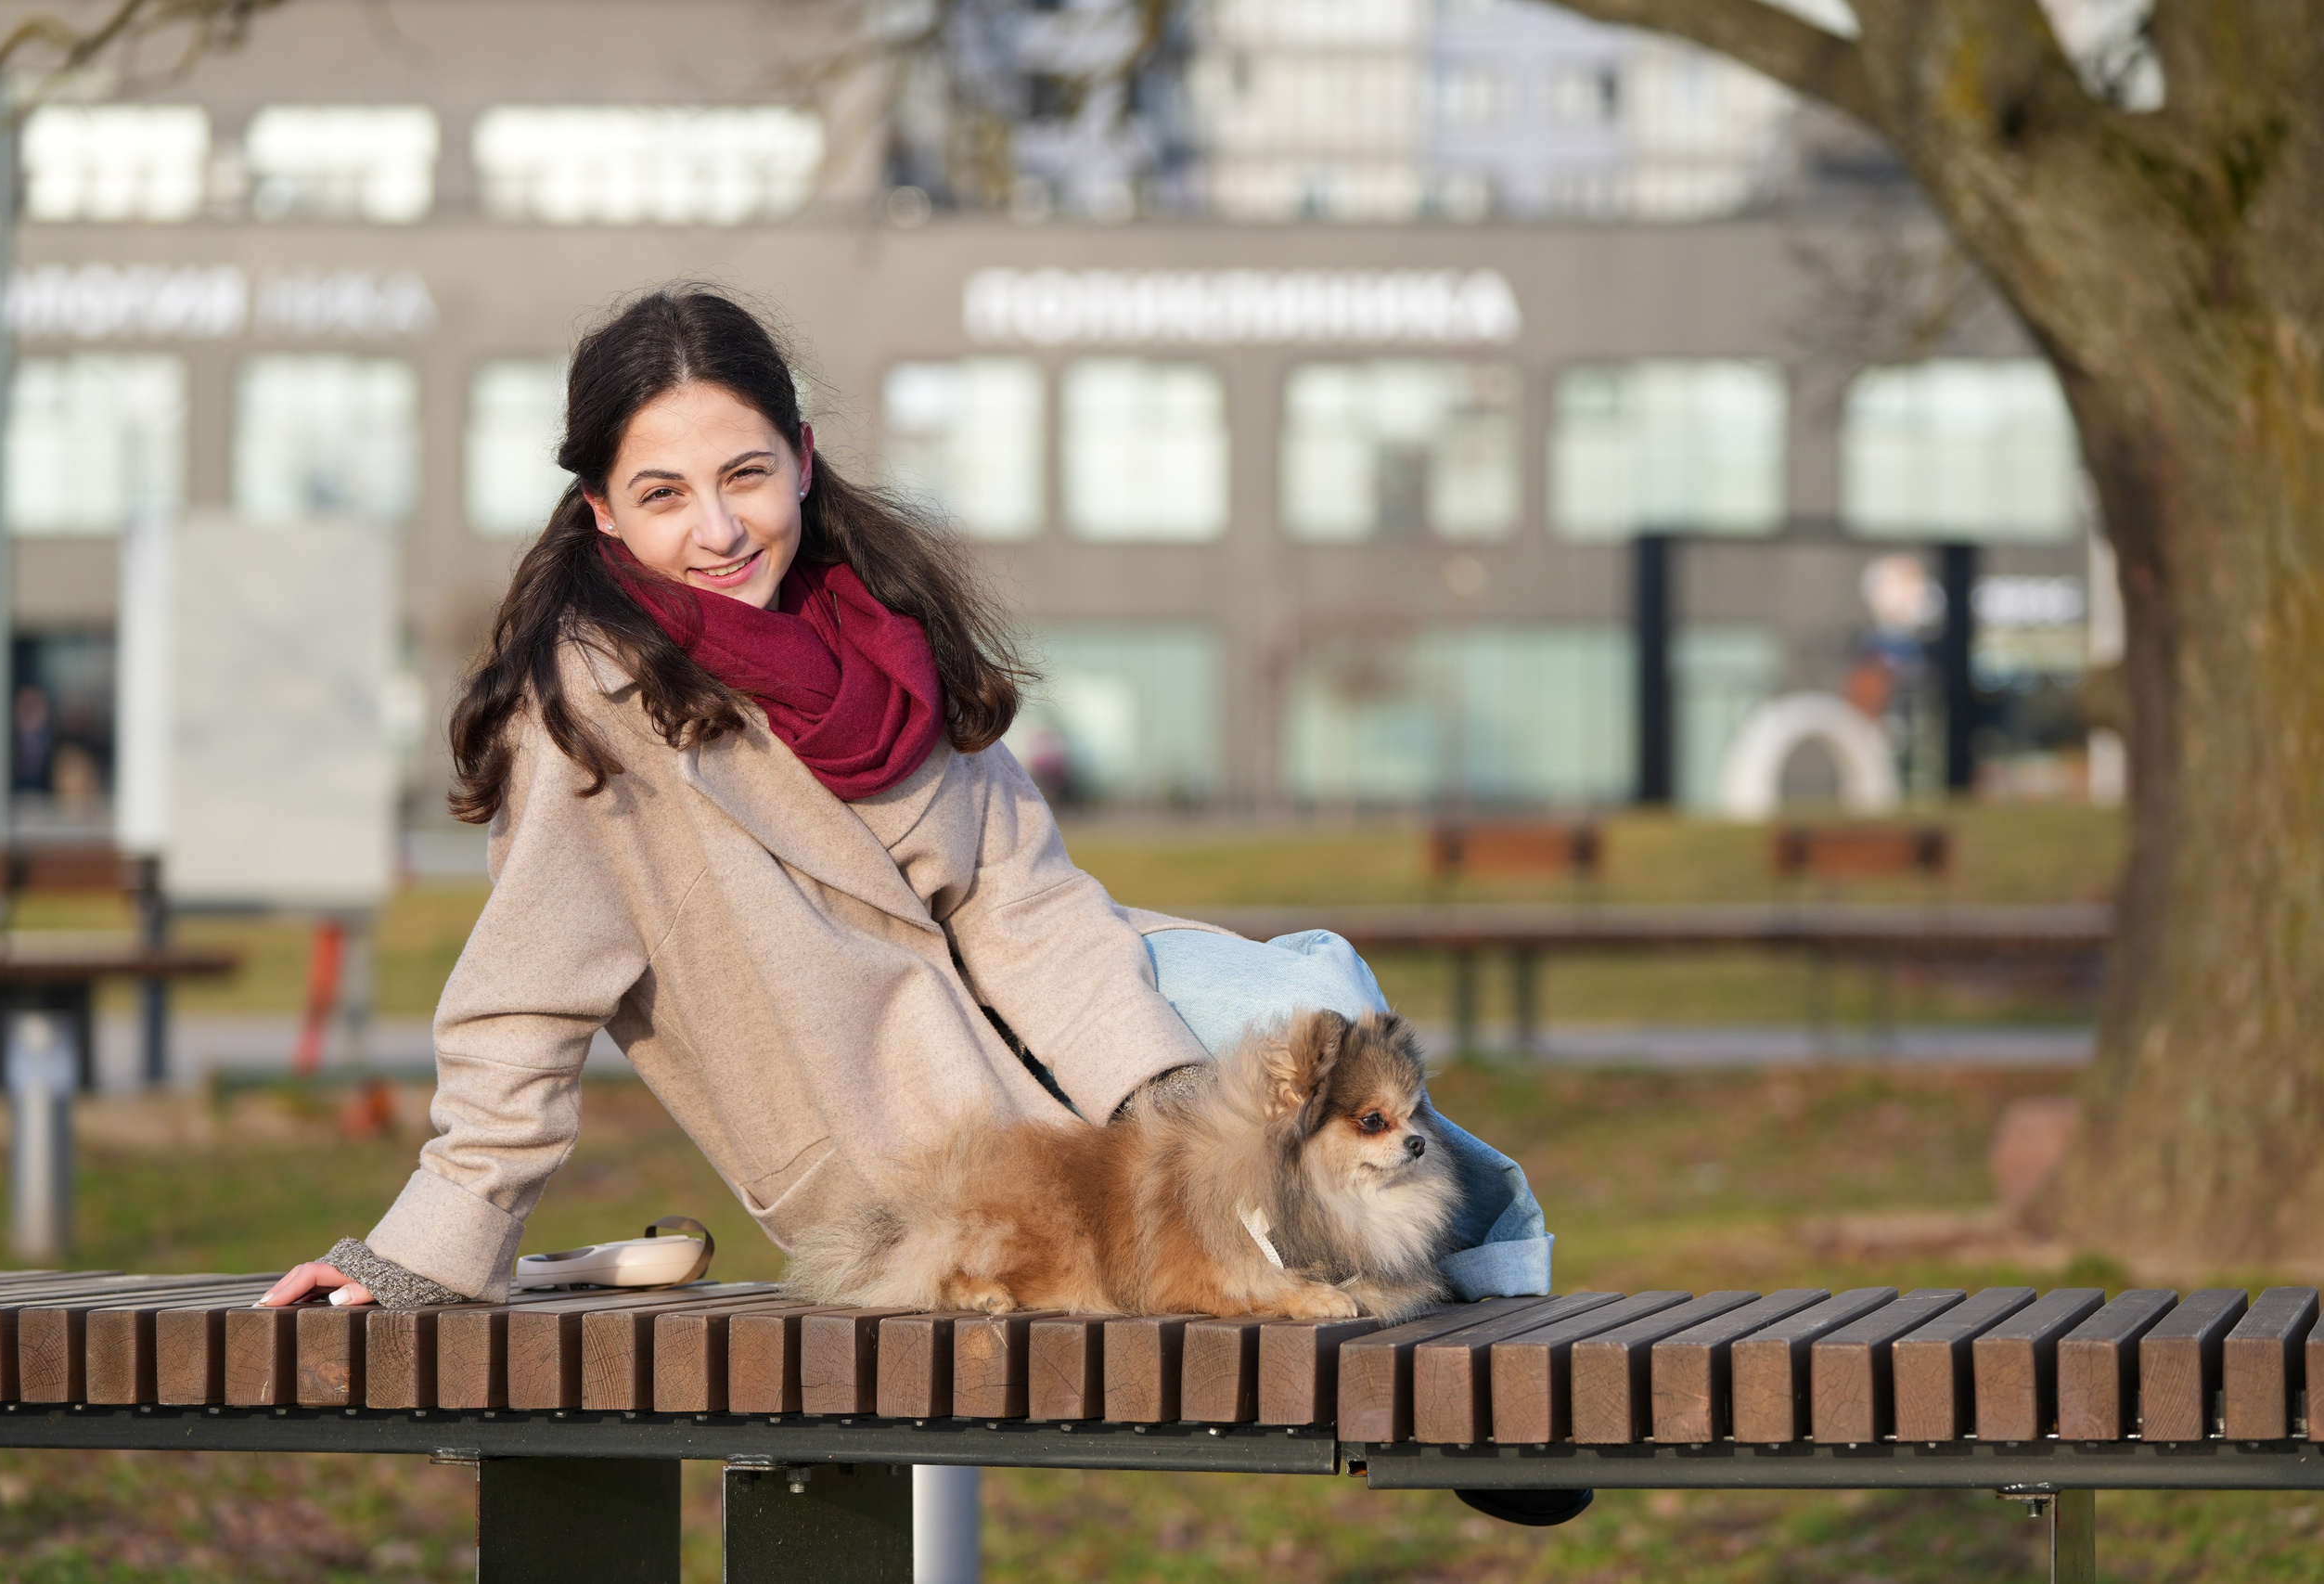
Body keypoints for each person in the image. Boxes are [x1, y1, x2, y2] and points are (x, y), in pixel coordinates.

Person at [260, 287, 1548, 1312]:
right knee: (1309, 1073)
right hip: (921, 1168)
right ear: (601, 512)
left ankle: (1495, 1328)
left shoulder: (879, 632)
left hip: (1059, 1039)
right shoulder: (594, 712)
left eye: (746, 474)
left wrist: (1156, 1104)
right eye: (662, 495)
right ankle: (1474, 1341)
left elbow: (1023, 904)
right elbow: (525, 994)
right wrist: (432, 1246)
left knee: (1311, 996)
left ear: (804, 461)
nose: (718, 530)